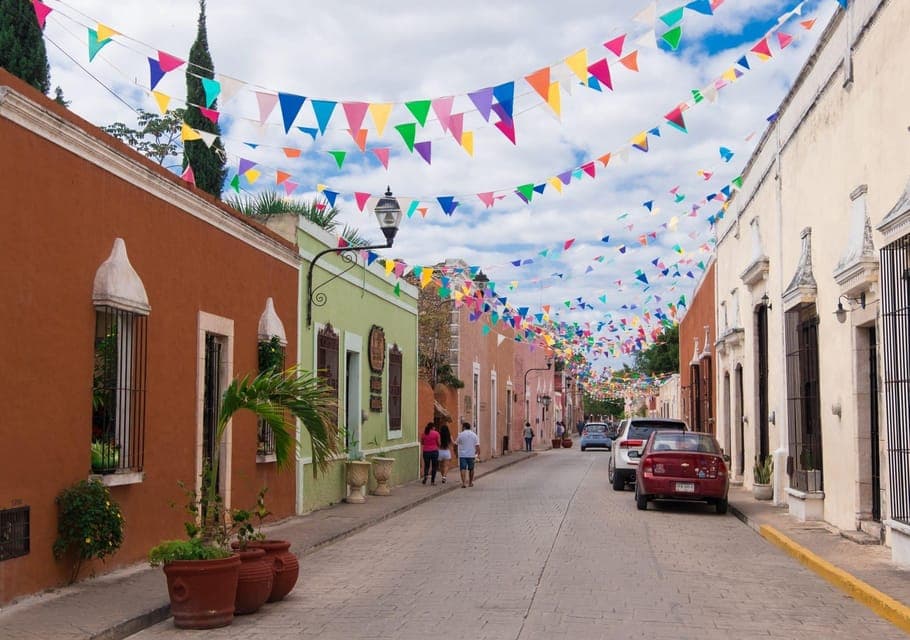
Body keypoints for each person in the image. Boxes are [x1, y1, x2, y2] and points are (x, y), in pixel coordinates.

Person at [455, 421, 480, 488]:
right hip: (471, 454)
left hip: (462, 455)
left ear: (464, 427)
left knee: (463, 468)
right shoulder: (474, 435)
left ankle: (463, 483)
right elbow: (477, 445)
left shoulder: (460, 435)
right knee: (471, 469)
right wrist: (478, 453)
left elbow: (456, 444)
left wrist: (456, 453)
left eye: (462, 427)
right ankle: (470, 482)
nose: (462, 428)